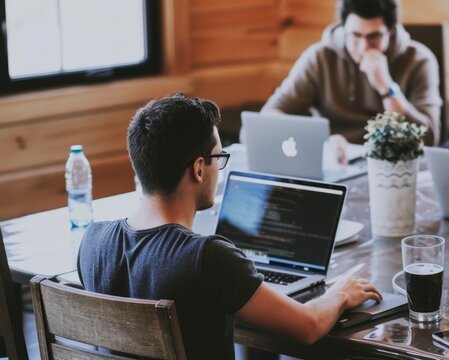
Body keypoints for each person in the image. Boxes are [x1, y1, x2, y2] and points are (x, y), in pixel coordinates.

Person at [77, 93, 382, 359]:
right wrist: (341, 293)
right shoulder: (206, 258)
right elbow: (309, 326)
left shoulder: (93, 241)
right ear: (199, 168)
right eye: (219, 157)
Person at [262, 0, 442, 161]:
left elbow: (429, 139)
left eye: (374, 36)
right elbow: (270, 115)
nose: (363, 47)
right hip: (336, 163)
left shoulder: (419, 60)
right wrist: (322, 142)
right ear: (343, 28)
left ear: (391, 30)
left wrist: (387, 87)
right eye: (355, 35)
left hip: (394, 165)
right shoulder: (319, 58)